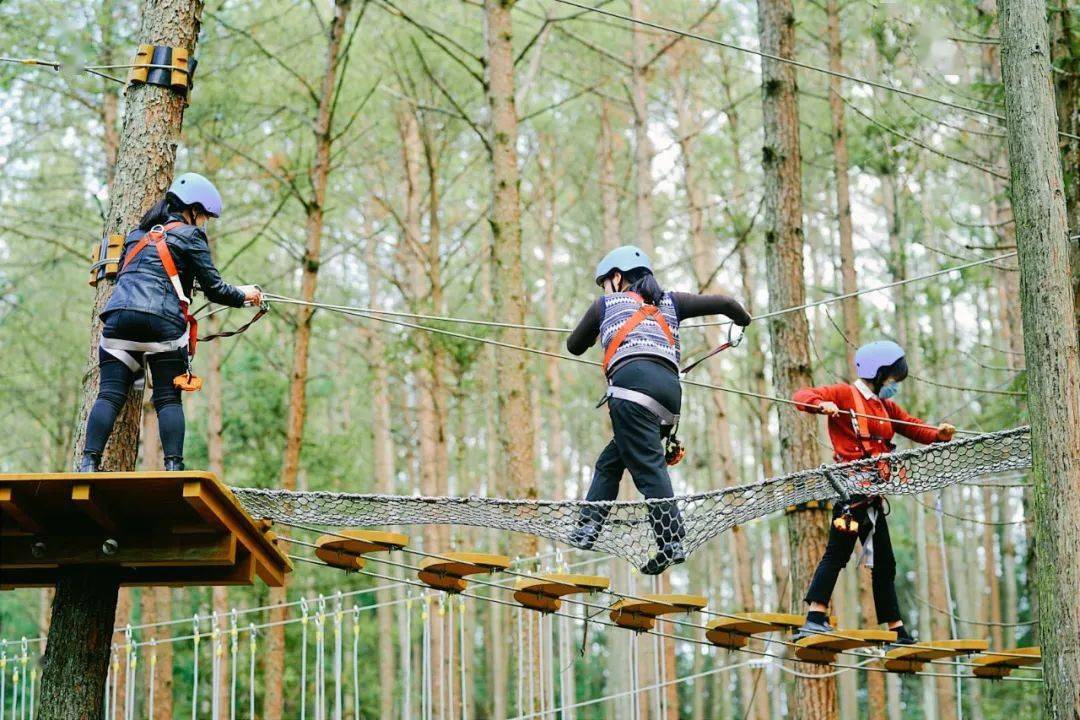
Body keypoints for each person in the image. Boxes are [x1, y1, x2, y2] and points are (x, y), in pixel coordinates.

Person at [565, 245, 752, 574]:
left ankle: (671, 539)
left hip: (630, 392)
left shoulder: (605, 304)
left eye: (605, 282)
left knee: (649, 467)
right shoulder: (672, 302)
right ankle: (588, 528)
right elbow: (725, 303)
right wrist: (743, 319)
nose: (604, 290)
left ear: (617, 277)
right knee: (610, 462)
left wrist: (600, 327)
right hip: (668, 398)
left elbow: (574, 346)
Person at [79, 173, 261, 473]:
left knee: (110, 394)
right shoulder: (192, 236)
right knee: (167, 398)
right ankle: (173, 467)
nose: (203, 222)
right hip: (161, 328)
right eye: (203, 216)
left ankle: (88, 462)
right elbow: (215, 289)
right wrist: (245, 296)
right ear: (192, 209)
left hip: (118, 324)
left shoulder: (137, 237)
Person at [790, 340, 956, 643]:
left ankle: (897, 630)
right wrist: (820, 404)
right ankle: (815, 617)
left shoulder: (884, 406)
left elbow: (911, 425)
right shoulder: (844, 395)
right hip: (850, 494)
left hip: (873, 496)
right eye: (893, 378)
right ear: (878, 373)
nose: (894, 385)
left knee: (885, 563)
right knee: (837, 554)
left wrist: (938, 434)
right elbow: (802, 396)